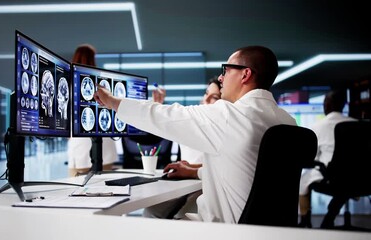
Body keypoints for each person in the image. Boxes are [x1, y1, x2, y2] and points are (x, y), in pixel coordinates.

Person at [94, 45, 297, 223]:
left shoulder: (229, 116)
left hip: (227, 230)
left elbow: (165, 116)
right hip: (270, 229)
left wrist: (112, 101)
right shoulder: (286, 120)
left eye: (226, 70)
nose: (221, 77)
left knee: (153, 215)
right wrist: (196, 171)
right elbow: (251, 175)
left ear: (245, 74)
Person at [142, 76, 222, 219]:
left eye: (214, 97)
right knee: (152, 211)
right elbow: (158, 130)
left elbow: (224, 164)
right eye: (206, 93)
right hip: (186, 182)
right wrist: (158, 107)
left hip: (207, 186)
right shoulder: (193, 119)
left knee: (182, 216)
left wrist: (193, 169)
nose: (206, 99)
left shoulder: (225, 127)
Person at [298, 89, 357, 228]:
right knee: (345, 185)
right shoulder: (356, 124)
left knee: (302, 182)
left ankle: (306, 221)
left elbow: (309, 156)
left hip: (330, 176)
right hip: (357, 177)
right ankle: (330, 217)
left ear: (327, 105)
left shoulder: (318, 126)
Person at [67, 44, 118, 177]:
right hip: (105, 147)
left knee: (78, 192)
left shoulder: (68, 83)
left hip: (81, 147)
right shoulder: (102, 84)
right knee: (105, 189)